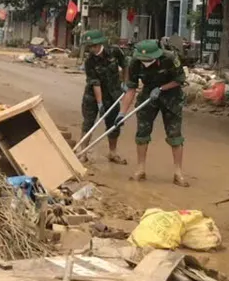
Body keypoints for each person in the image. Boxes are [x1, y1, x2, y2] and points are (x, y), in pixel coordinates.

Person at [117, 38, 189, 186]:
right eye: (143, 59)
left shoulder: (170, 58)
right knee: (142, 132)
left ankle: (178, 172)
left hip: (171, 96)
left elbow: (180, 79)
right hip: (148, 95)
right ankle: (140, 169)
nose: (145, 62)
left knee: (174, 135)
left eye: (148, 59)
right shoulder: (135, 62)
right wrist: (122, 113)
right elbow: (131, 88)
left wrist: (162, 88)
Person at [80, 28, 129, 164]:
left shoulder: (114, 51)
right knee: (88, 123)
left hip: (113, 94)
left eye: (94, 46)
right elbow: (95, 83)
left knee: (114, 124)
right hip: (92, 96)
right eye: (90, 47)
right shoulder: (89, 61)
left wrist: (126, 82)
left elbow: (125, 65)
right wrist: (100, 103)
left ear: (100, 44)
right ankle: (83, 153)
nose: (92, 49)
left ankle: (112, 152)